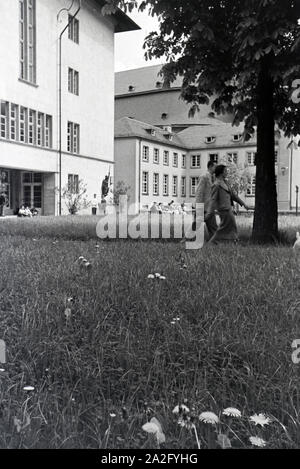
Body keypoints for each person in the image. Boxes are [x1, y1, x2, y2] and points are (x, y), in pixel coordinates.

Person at [205, 164, 250, 244]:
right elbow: (213, 200)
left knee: (229, 227)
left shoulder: (226, 183)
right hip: (223, 210)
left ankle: (232, 241)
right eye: (225, 171)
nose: (227, 172)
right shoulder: (216, 185)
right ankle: (214, 242)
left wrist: (243, 204)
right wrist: (209, 213)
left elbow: (233, 195)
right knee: (226, 227)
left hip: (228, 208)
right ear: (221, 173)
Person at [195, 161, 218, 240]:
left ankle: (215, 243)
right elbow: (199, 192)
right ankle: (188, 241)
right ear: (210, 167)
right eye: (215, 166)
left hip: (209, 207)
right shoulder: (204, 176)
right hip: (202, 206)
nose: (216, 168)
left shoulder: (214, 178)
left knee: (214, 228)